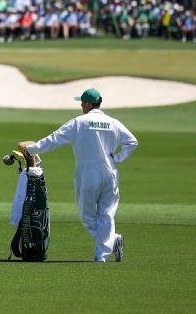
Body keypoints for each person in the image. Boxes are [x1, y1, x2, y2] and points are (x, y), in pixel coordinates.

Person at [18, 88, 138, 263]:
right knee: (106, 214)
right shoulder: (113, 123)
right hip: (110, 173)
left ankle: (111, 243)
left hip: (88, 173)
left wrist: (30, 150)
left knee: (87, 216)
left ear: (89, 103)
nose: (81, 104)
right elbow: (132, 142)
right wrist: (117, 158)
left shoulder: (79, 123)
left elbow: (54, 139)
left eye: (82, 102)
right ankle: (103, 254)